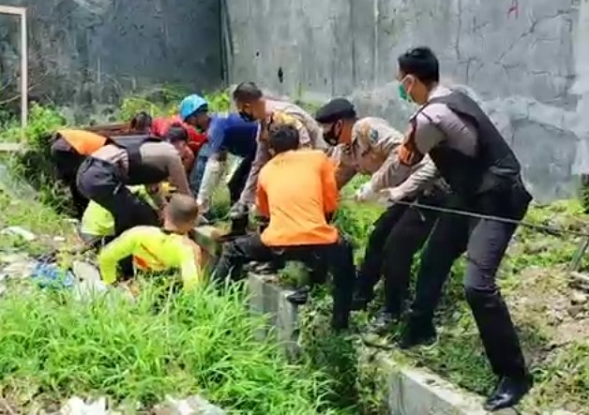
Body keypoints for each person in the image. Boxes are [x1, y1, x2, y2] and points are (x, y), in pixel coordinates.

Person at [392, 46, 533, 411]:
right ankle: (420, 327)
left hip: (499, 198)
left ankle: (514, 376)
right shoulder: (453, 100)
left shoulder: (430, 118)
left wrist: (374, 189)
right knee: (435, 255)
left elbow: (403, 162)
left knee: (478, 286)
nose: (399, 88)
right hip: (470, 194)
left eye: (400, 82)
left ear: (411, 80)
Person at [314, 98, 447, 330]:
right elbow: (339, 177)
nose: (325, 134)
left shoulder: (368, 128)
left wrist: (374, 185)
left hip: (428, 189)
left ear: (339, 124)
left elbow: (401, 151)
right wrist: (316, 201)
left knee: (396, 247)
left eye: (326, 129)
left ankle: (394, 310)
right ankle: (361, 295)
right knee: (377, 237)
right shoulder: (346, 149)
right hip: (402, 195)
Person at [211, 124, 355, 331]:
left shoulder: (266, 170)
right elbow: (331, 204)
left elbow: (264, 214)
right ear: (298, 144)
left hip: (278, 244)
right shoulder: (318, 158)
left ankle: (216, 302)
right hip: (320, 242)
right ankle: (340, 323)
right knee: (345, 254)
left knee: (232, 249)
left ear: (271, 150)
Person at [231, 82, 328, 221]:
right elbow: (259, 163)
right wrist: (244, 200)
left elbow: (305, 153)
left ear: (247, 106)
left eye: (240, 109)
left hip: (314, 166)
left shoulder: (285, 118)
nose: (241, 114)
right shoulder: (264, 122)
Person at [76, 131, 192, 238]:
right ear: (182, 144)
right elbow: (185, 195)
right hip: (101, 174)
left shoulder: (153, 149)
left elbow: (152, 189)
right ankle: (129, 256)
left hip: (86, 173)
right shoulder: (172, 154)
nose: (184, 157)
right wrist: (195, 218)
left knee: (129, 215)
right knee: (140, 216)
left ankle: (122, 252)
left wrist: (162, 208)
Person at [97, 194, 203, 290]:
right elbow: (192, 285)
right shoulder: (188, 249)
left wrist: (111, 283)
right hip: (169, 298)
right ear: (192, 223)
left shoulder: (138, 233)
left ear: (165, 212)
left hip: (139, 290)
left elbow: (105, 257)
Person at [179, 94, 258, 216]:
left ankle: (247, 224)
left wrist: (201, 201)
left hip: (263, 150)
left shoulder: (215, 129)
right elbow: (221, 160)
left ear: (197, 115)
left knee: (241, 189)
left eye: (190, 121)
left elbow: (214, 166)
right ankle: (241, 223)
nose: (190, 125)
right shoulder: (219, 121)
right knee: (235, 187)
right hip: (254, 152)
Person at [50, 129, 109, 215]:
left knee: (75, 179)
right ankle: (82, 208)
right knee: (81, 178)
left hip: (62, 147)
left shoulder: (101, 143)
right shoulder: (107, 148)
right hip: (68, 149)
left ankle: (79, 208)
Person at [79, 184, 158, 248]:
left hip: (86, 229)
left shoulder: (110, 182)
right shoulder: (138, 189)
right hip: (100, 236)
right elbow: (157, 212)